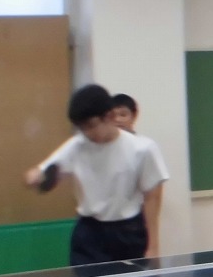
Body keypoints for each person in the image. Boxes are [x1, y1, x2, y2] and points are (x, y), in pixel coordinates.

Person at [23, 84, 169, 265]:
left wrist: (153, 246)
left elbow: (152, 197)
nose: (87, 133)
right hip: (89, 233)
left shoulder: (142, 149)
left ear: (110, 116)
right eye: (82, 128)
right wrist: (35, 176)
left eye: (91, 126)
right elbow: (42, 171)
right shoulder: (77, 146)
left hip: (129, 232)